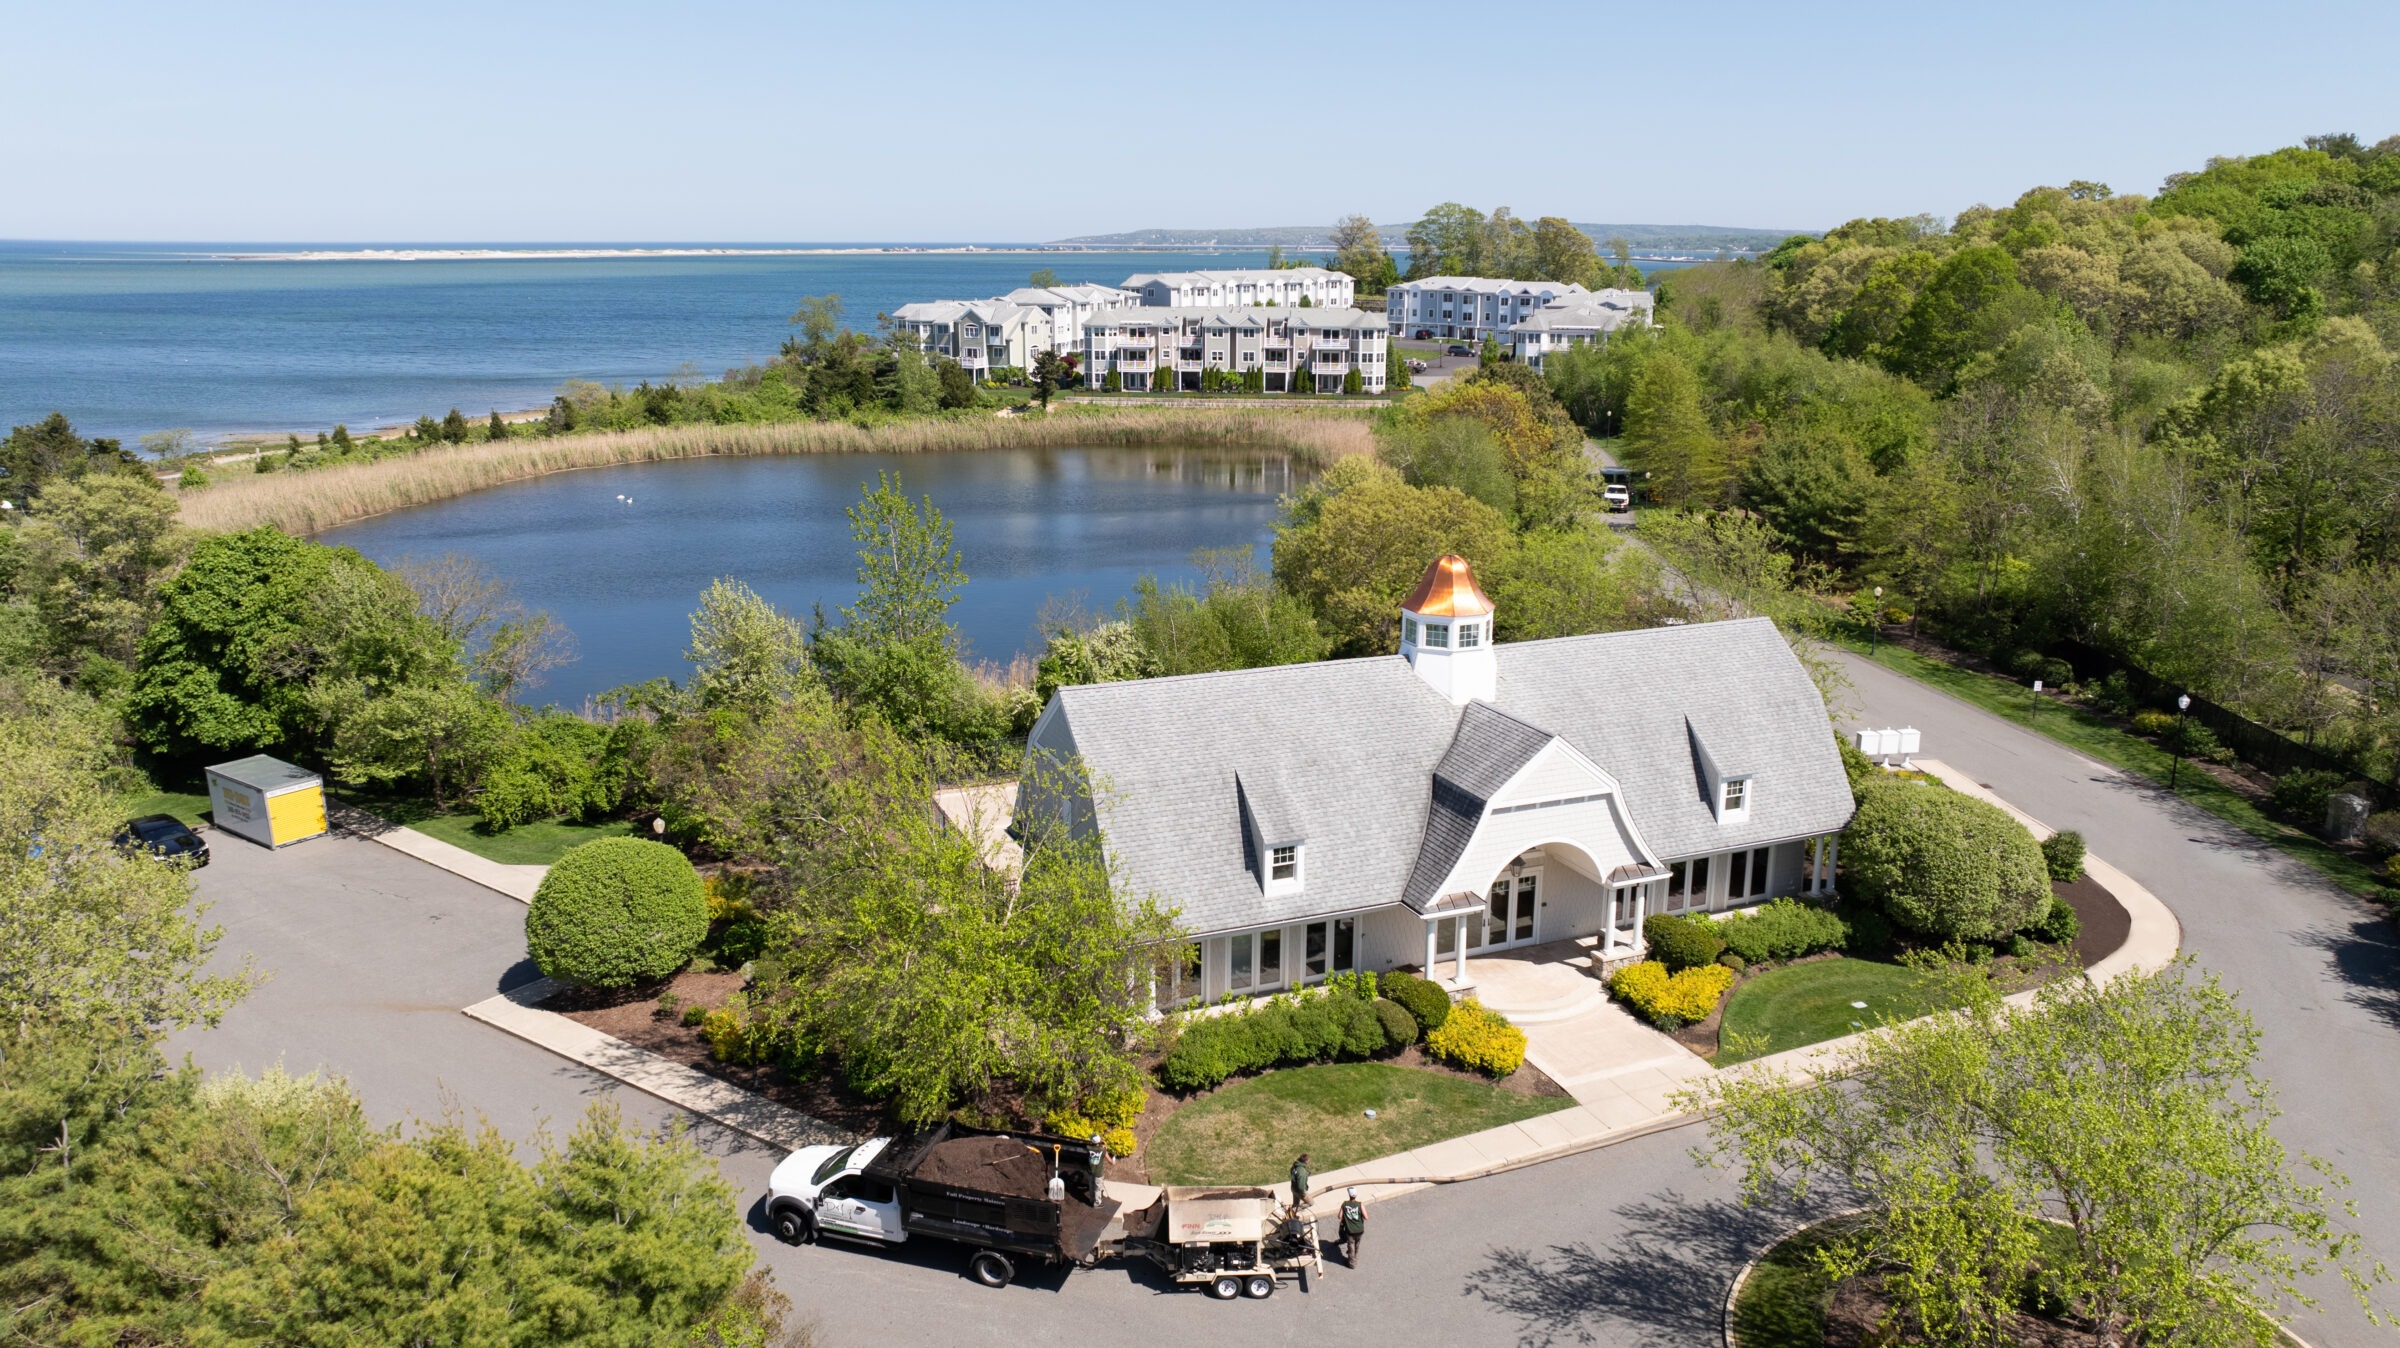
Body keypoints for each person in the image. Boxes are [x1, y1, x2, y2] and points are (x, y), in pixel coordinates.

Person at [1339, 1187, 1367, 1268]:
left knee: (1351, 1246)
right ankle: (1355, 1257)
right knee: (1357, 1244)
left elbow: (1339, 1216)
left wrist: (1347, 1216)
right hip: (1360, 1230)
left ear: (1349, 1195)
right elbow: (1366, 1217)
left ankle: (1352, 1264)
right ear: (1356, 1195)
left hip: (1350, 1231)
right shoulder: (1360, 1204)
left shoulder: (1345, 1204)